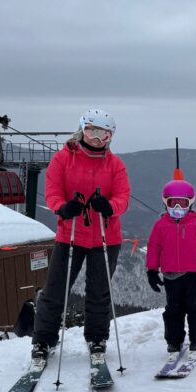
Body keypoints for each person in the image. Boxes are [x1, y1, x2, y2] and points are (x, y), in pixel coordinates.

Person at [30, 108, 131, 363]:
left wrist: (110, 206)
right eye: (92, 132)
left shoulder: (115, 165)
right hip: (70, 235)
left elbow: (123, 197)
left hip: (105, 237)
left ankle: (97, 338)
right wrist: (62, 208)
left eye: (104, 135)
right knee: (55, 290)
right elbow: (52, 192)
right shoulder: (63, 159)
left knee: (99, 292)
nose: (97, 139)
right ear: (82, 130)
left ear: (111, 137)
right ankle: (43, 340)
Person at [145, 179, 196, 354]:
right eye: (172, 202)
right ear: (165, 202)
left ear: (190, 203)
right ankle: (174, 342)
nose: (178, 207)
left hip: (193, 275)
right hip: (170, 276)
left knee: (195, 307)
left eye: (183, 203)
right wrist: (152, 270)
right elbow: (154, 247)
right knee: (173, 310)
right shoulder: (160, 225)